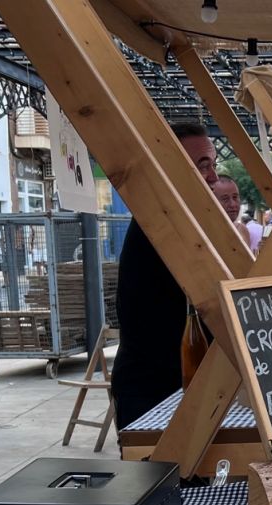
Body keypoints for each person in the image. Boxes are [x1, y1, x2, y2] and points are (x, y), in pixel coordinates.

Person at [112, 123, 219, 429]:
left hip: (179, 386)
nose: (213, 177)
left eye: (213, 165)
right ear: (171, 171)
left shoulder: (183, 223)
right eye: (203, 166)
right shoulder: (160, 228)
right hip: (154, 393)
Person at [213, 175, 253, 247]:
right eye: (225, 199)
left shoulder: (242, 230)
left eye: (235, 197)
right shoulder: (202, 233)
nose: (233, 204)